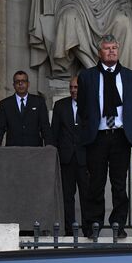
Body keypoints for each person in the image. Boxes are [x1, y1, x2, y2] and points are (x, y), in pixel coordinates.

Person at [76, 35, 132, 238]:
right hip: (98, 136)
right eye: (107, 48)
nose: (111, 51)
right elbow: (84, 108)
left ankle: (118, 225)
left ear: (118, 50)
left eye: (114, 48)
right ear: (99, 52)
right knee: (96, 183)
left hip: (120, 136)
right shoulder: (87, 76)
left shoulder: (130, 76)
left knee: (119, 184)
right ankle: (94, 224)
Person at [49, 75, 88, 233]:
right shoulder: (60, 105)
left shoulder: (90, 105)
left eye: (76, 87)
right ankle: (70, 230)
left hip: (84, 159)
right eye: (71, 87)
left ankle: (88, 229)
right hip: (66, 159)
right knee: (67, 196)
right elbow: (54, 133)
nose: (73, 90)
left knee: (87, 196)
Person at [0, 71, 50, 147]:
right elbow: (0, 127)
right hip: (13, 149)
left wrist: (49, 143)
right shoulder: (5, 104)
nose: (20, 84)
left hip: (34, 149)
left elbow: (45, 125)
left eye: (23, 81)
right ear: (13, 85)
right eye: (17, 81)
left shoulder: (38, 102)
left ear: (28, 84)